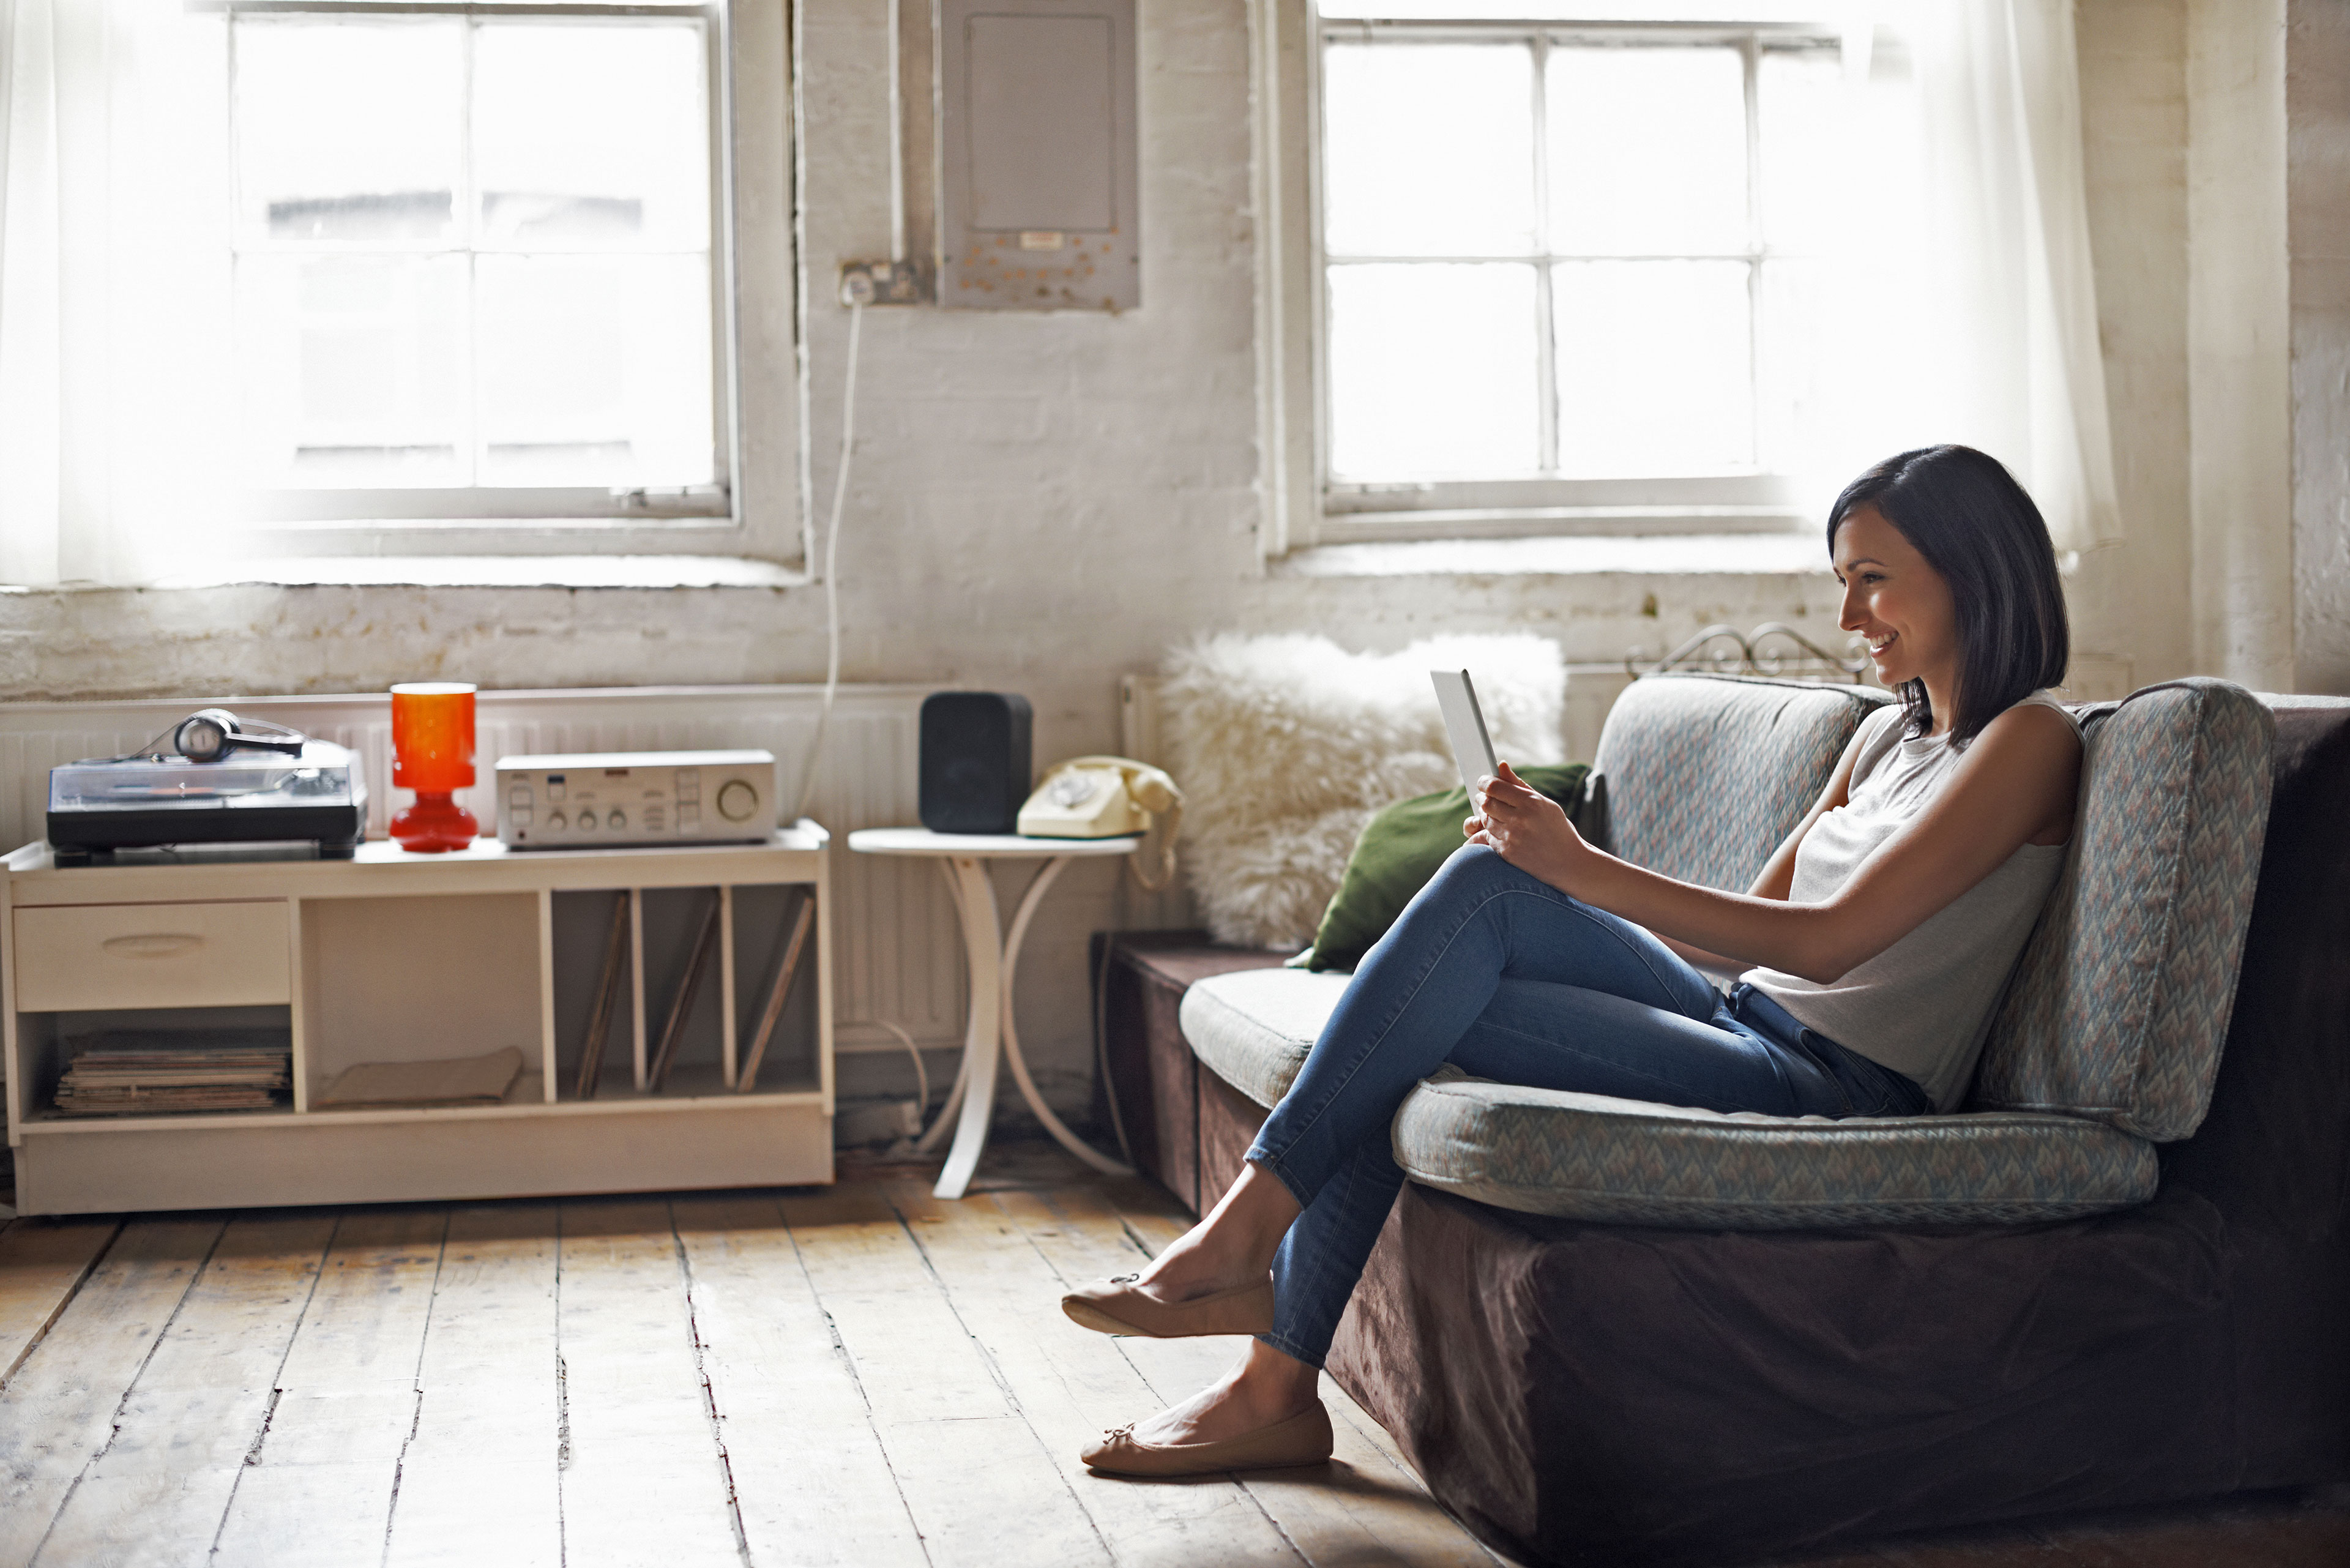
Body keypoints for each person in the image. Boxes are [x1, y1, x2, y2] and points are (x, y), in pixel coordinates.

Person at [1061, 444, 2086, 1477]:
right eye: (1841, 582)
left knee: (1436, 991)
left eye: (1872, 578)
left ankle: (1258, 1330)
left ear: (1973, 567)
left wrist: (1584, 865)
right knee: (1485, 893)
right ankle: (1262, 1342)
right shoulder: (1883, 741)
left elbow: (1831, 941)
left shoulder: (2031, 741)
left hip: (1835, 1083)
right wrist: (1551, 872)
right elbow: (1744, 927)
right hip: (1744, 1017)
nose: (1850, 617)